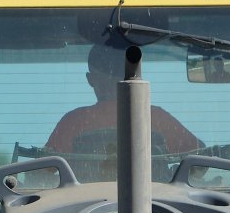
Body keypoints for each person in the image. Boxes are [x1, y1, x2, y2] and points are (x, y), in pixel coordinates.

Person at [46, 41, 203, 166]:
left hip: (79, 205)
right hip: (155, 205)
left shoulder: (73, 121)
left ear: (91, 79)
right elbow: (200, 158)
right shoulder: (154, 117)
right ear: (133, 77)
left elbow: (42, 172)